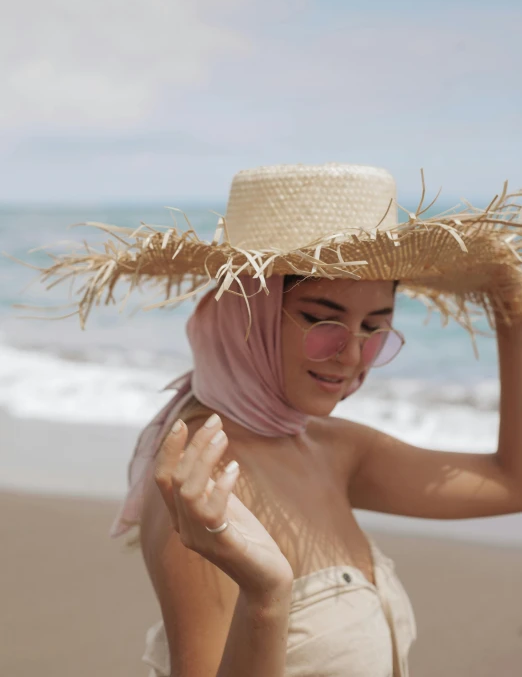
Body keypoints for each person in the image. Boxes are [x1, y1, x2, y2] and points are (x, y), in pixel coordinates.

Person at [30, 163, 522, 676]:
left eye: (375, 330)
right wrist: (266, 598)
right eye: (321, 320)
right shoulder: (205, 481)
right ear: (249, 309)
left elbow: (512, 482)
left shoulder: (331, 448)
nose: (352, 355)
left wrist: (512, 310)